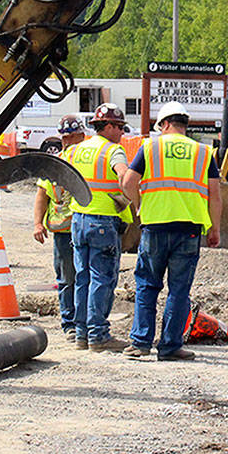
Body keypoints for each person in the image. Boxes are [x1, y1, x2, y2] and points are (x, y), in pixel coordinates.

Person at [120, 101, 221, 362]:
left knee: (147, 285)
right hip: (189, 229)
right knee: (179, 290)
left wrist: (138, 204)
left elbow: (128, 182)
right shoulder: (203, 152)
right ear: (184, 125)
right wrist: (214, 228)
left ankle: (140, 342)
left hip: (155, 225)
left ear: (164, 124)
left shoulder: (150, 147)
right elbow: (215, 195)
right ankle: (170, 346)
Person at [67, 104, 134, 352]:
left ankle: (81, 334)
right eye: (119, 127)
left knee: (82, 277)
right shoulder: (113, 151)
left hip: (78, 219)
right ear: (108, 126)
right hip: (103, 222)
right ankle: (98, 335)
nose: (122, 133)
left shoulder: (76, 150)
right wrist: (131, 198)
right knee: (102, 278)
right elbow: (124, 176)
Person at [33, 115, 87, 341]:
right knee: (67, 279)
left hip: (85, 227)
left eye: (71, 137)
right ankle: (70, 324)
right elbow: (42, 195)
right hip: (63, 230)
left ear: (82, 136)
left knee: (86, 277)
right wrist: (38, 223)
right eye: (64, 138)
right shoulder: (55, 164)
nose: (67, 142)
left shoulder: (87, 160)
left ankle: (85, 323)